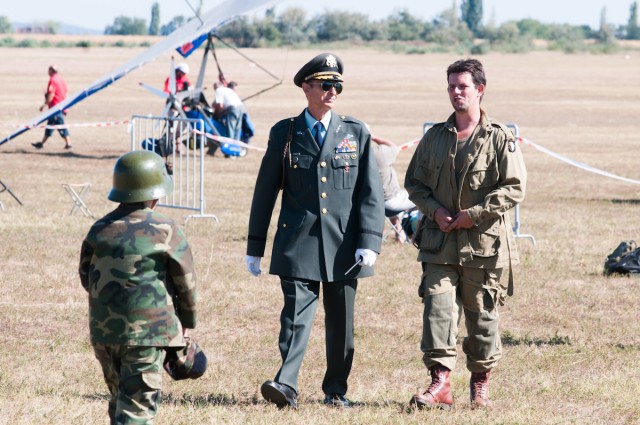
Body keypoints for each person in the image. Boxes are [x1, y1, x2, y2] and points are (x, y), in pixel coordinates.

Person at [245, 53, 385, 409]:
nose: (332, 91)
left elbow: (370, 192)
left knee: (342, 324)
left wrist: (370, 241)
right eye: (325, 84)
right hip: (298, 241)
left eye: (337, 85)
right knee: (295, 317)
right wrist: (255, 246)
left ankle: (336, 391)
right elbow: (265, 191)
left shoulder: (355, 132)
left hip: (344, 244)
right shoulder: (285, 133)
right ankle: (286, 385)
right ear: (306, 88)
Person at [404, 58, 527, 410]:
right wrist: (435, 211)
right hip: (439, 242)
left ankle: (480, 384)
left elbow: (514, 188)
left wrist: (472, 215)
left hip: (483, 246)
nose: (456, 92)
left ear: (480, 90)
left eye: (463, 86)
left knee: (483, 318)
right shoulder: (434, 138)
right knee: (437, 310)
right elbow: (414, 184)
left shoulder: (499, 138)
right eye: (451, 87)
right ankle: (440, 384)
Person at [79, 150, 198, 424]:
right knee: (136, 411)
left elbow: (87, 277)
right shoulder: (166, 229)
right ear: (155, 191)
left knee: (119, 401)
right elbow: (186, 283)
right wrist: (187, 321)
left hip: (104, 332)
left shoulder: (99, 228)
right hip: (146, 334)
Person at [371, 134, 416, 243]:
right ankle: (418, 235)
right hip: (391, 201)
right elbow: (393, 147)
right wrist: (375, 138)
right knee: (426, 198)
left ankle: (400, 234)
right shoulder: (379, 153)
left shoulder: (356, 157)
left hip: (375, 203)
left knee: (389, 192)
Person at [32, 65, 72, 150]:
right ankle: (41, 143)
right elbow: (66, 92)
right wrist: (66, 106)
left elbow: (51, 94)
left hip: (55, 108)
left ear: (51, 71)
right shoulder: (61, 79)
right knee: (50, 125)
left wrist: (44, 105)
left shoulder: (53, 80)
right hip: (61, 106)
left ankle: (68, 143)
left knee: (60, 124)